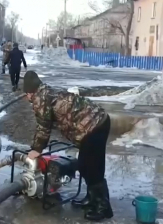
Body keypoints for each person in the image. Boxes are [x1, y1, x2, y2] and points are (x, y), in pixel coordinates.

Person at [22, 71, 113, 222]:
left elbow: (43, 127)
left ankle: (103, 208)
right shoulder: (46, 91)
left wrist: (36, 150)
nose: (27, 98)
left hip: (93, 127)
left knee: (92, 168)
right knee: (86, 165)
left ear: (30, 92)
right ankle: (92, 199)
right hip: (99, 122)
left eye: (26, 94)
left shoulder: (40, 99)